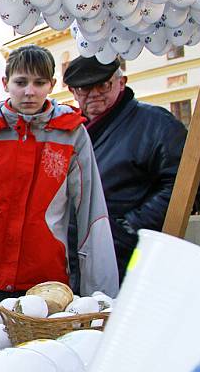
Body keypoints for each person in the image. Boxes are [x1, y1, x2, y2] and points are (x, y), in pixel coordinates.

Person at [0, 45, 119, 303]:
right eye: (21, 82)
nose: (29, 91)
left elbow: (91, 213)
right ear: (6, 83)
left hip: (44, 280)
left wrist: (100, 296)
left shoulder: (71, 135)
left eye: (39, 83)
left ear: (52, 84)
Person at [63, 56, 187, 282]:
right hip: (77, 259)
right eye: (84, 88)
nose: (93, 94)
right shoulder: (69, 131)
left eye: (103, 85)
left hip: (129, 258)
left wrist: (127, 227)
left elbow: (181, 185)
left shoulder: (156, 123)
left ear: (122, 82)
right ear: (73, 91)